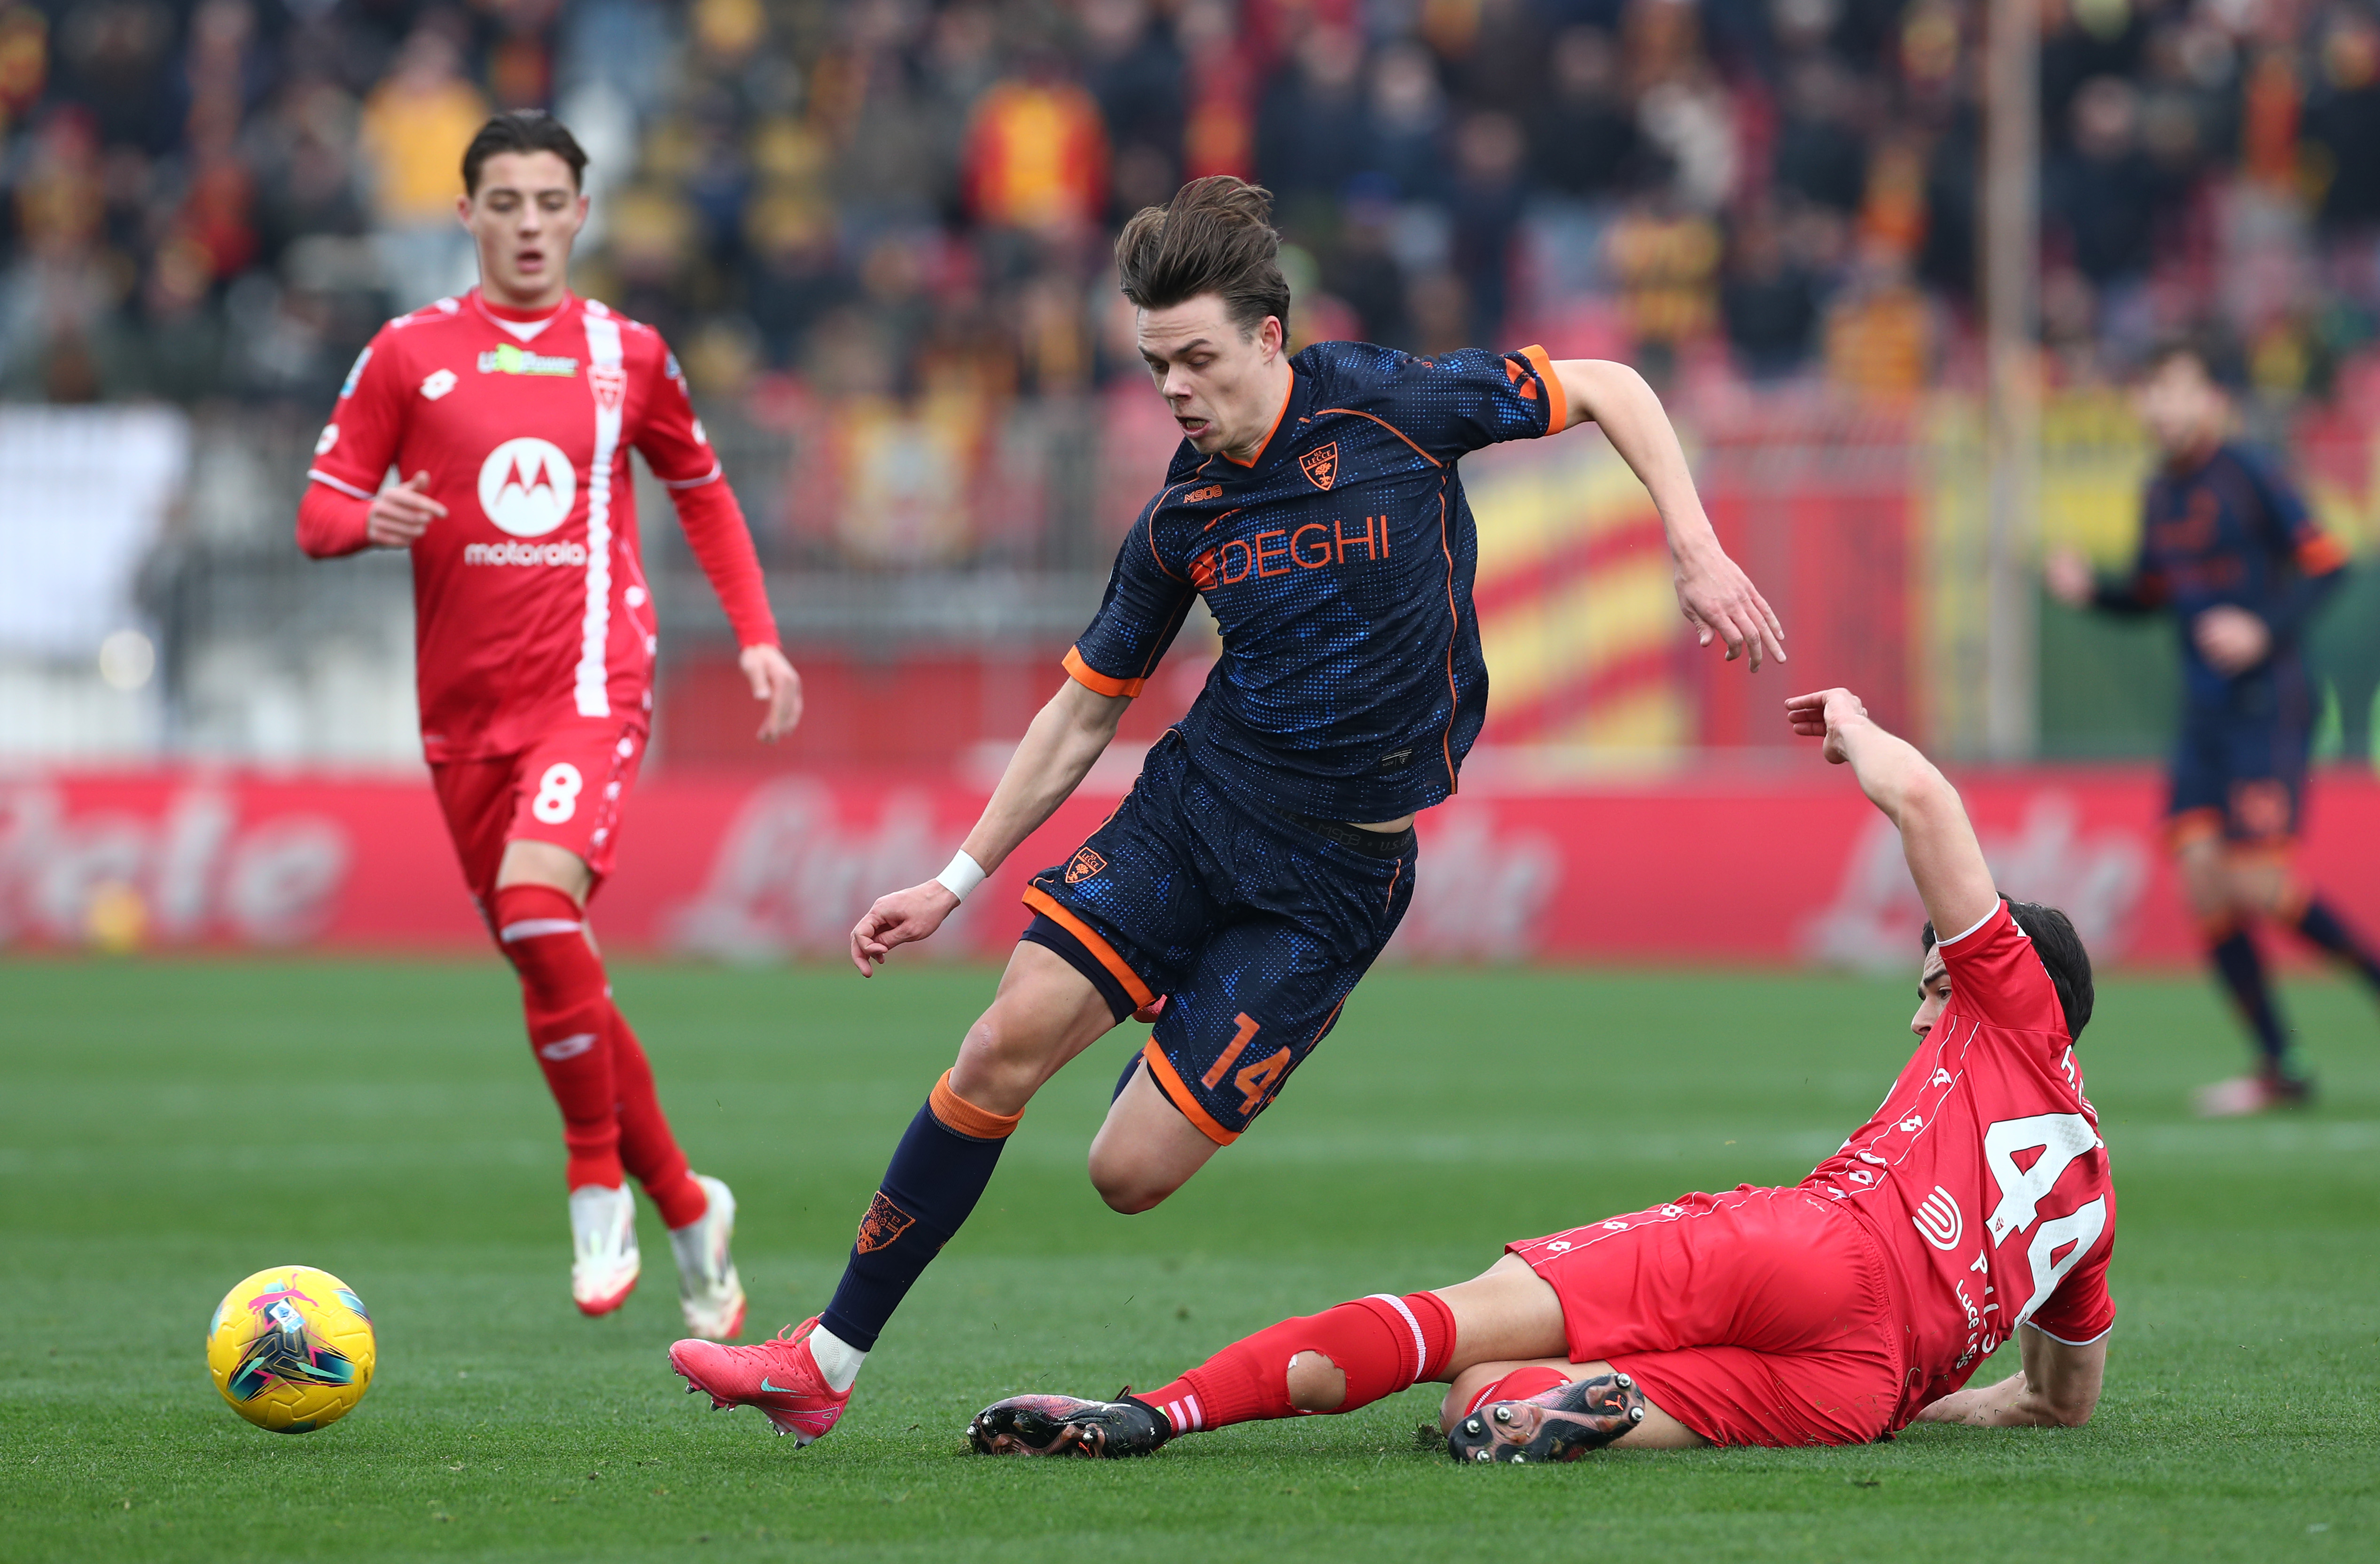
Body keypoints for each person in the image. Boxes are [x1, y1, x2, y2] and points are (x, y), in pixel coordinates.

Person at [667, 175, 1785, 1443]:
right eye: (1156, 366)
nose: (1176, 389)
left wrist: (1692, 545)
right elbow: (1081, 713)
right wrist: (953, 880)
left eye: (1197, 359)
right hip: (1195, 814)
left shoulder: (1389, 402)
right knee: (997, 1045)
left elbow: (1613, 386)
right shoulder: (1182, 513)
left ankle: (1189, 1002)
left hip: (1333, 886)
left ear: (1268, 338)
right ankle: (823, 1360)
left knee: (1126, 1175)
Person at [964, 687, 2115, 1462]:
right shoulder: (2093, 1198)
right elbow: (2058, 1402)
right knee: (1485, 1403)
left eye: (1934, 985)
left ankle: (1157, 1414)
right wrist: (1928, 1398)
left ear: (2005, 978)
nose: (1921, 1016)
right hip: (1863, 1389)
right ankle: (1568, 1408)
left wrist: (1855, 723)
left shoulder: (2008, 1000)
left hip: (1818, 1245)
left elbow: (1922, 802)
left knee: (1452, 1327)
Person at [297, 111, 803, 1337]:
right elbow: (318, 512)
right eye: (504, 203)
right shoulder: (408, 353)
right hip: (460, 717)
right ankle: (688, 1203)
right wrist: (372, 521)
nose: (528, 225)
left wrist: (756, 633)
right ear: (465, 214)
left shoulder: (628, 354)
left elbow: (701, 490)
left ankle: (594, 1182)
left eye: (548, 203)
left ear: (582, 213)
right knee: (549, 954)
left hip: (589, 686)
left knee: (535, 911)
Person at [2047, 342, 2376, 1116]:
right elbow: (2151, 593)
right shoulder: (2159, 492)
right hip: (2203, 717)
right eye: (2150, 392)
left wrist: (2261, 628)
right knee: (2201, 879)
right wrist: (2090, 591)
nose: (2160, 407)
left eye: (2174, 390)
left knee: (2256, 882)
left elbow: (2329, 562)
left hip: (2267, 705)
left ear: (2210, 401)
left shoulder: (2249, 472)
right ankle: (2281, 1063)